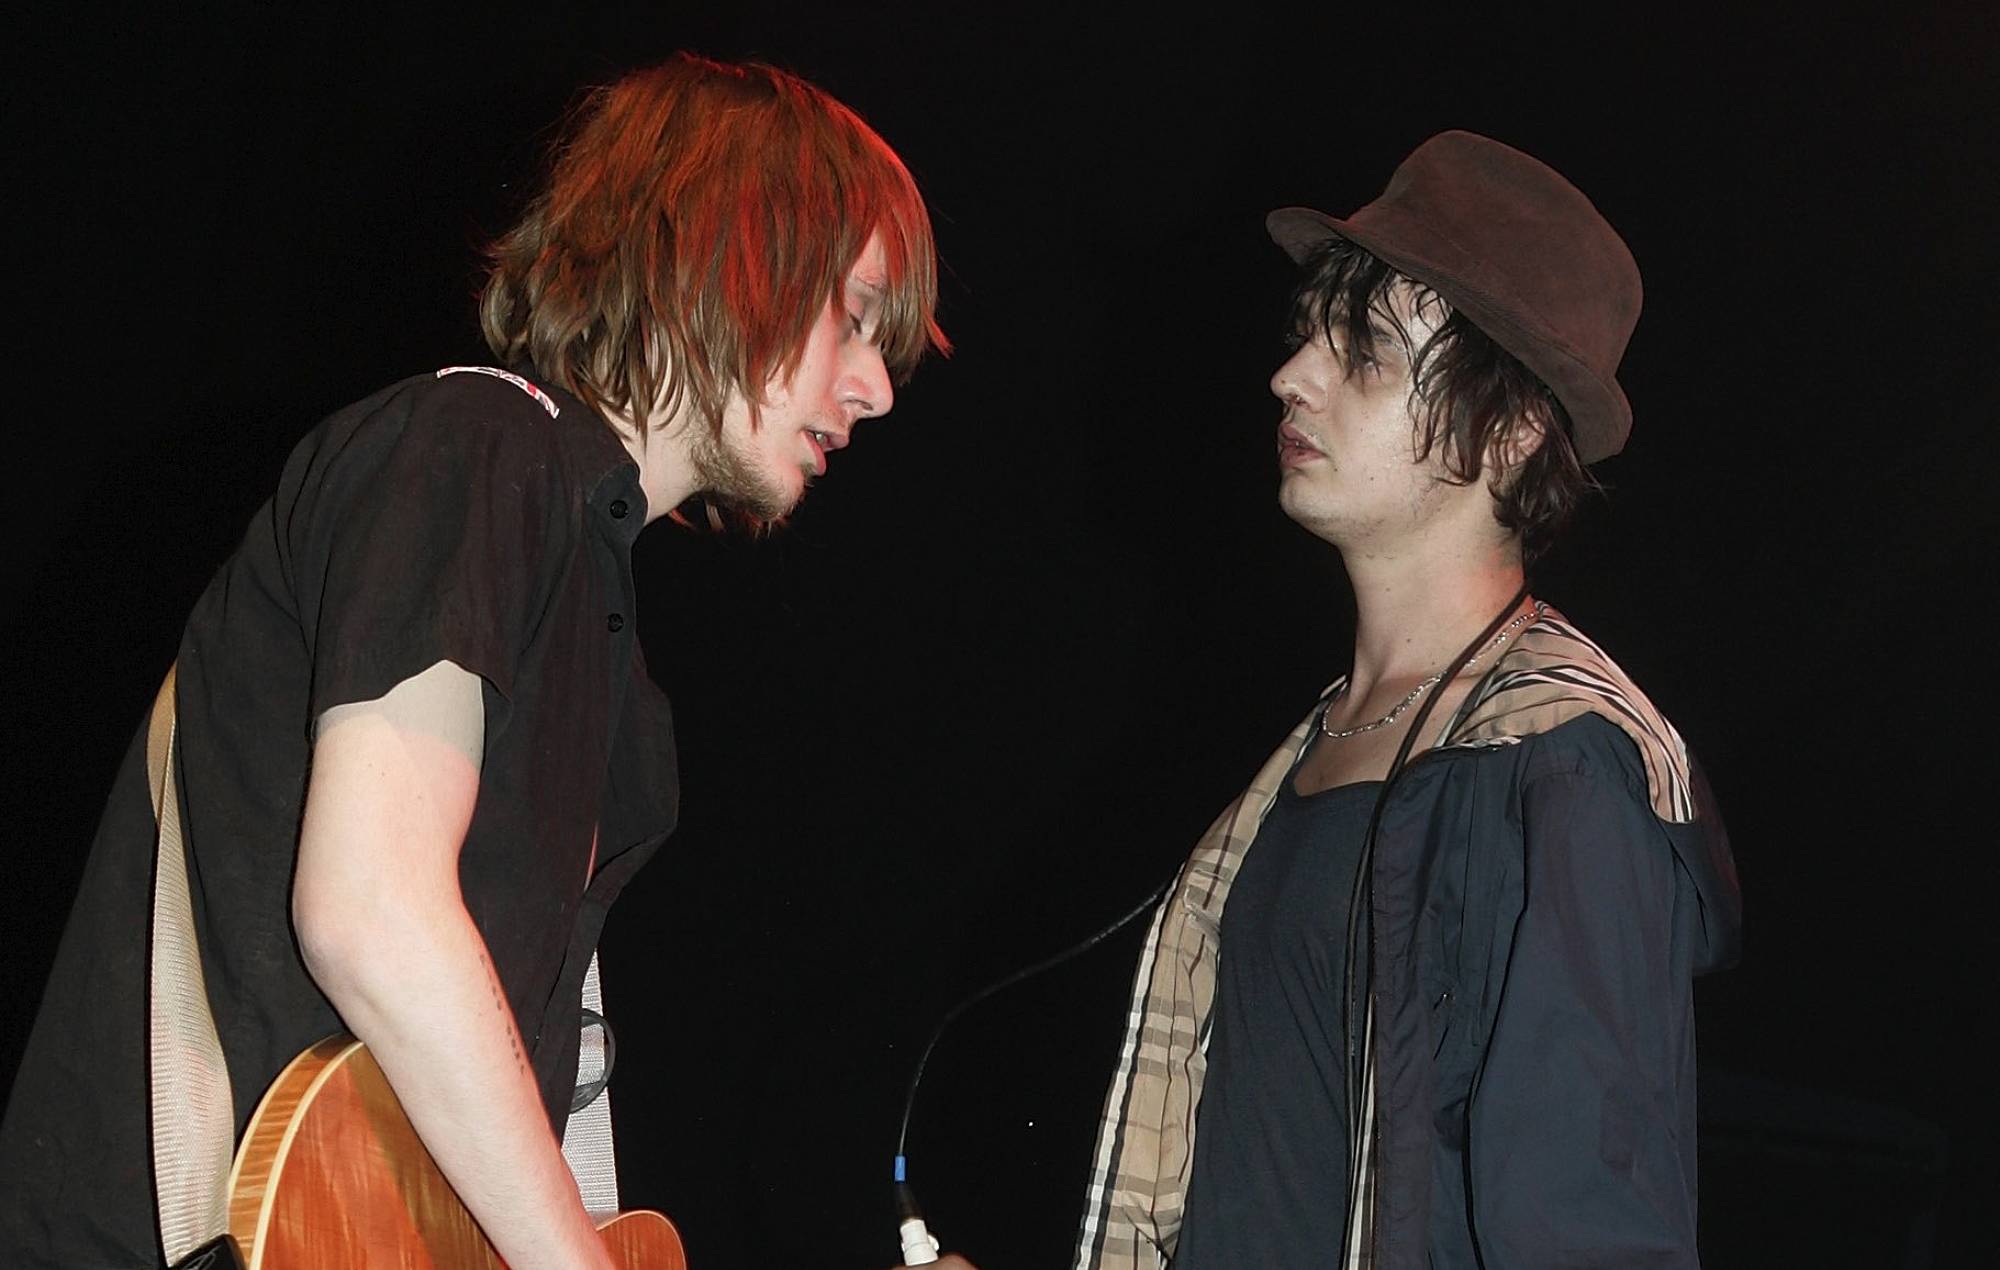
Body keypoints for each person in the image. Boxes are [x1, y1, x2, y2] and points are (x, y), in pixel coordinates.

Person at [0, 52, 946, 1270]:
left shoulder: (612, 657)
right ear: (726, 249)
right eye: (852, 316)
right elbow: (374, 911)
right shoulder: (478, 447)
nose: (872, 387)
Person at [1061, 133, 1742, 1269]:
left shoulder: (1559, 767)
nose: (1292, 375)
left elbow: (1588, 1238)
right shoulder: (1306, 752)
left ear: (1513, 429)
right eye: (1304, 336)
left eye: (1365, 351)